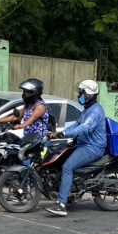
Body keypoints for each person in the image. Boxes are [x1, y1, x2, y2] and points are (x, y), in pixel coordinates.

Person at [45, 80, 108, 217]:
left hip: (93, 147)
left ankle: (62, 204)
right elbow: (76, 125)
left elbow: (85, 128)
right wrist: (58, 134)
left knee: (68, 167)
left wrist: (64, 134)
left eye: (81, 93)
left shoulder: (96, 111)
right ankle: (68, 191)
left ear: (89, 94)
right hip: (83, 144)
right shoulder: (87, 110)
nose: (79, 95)